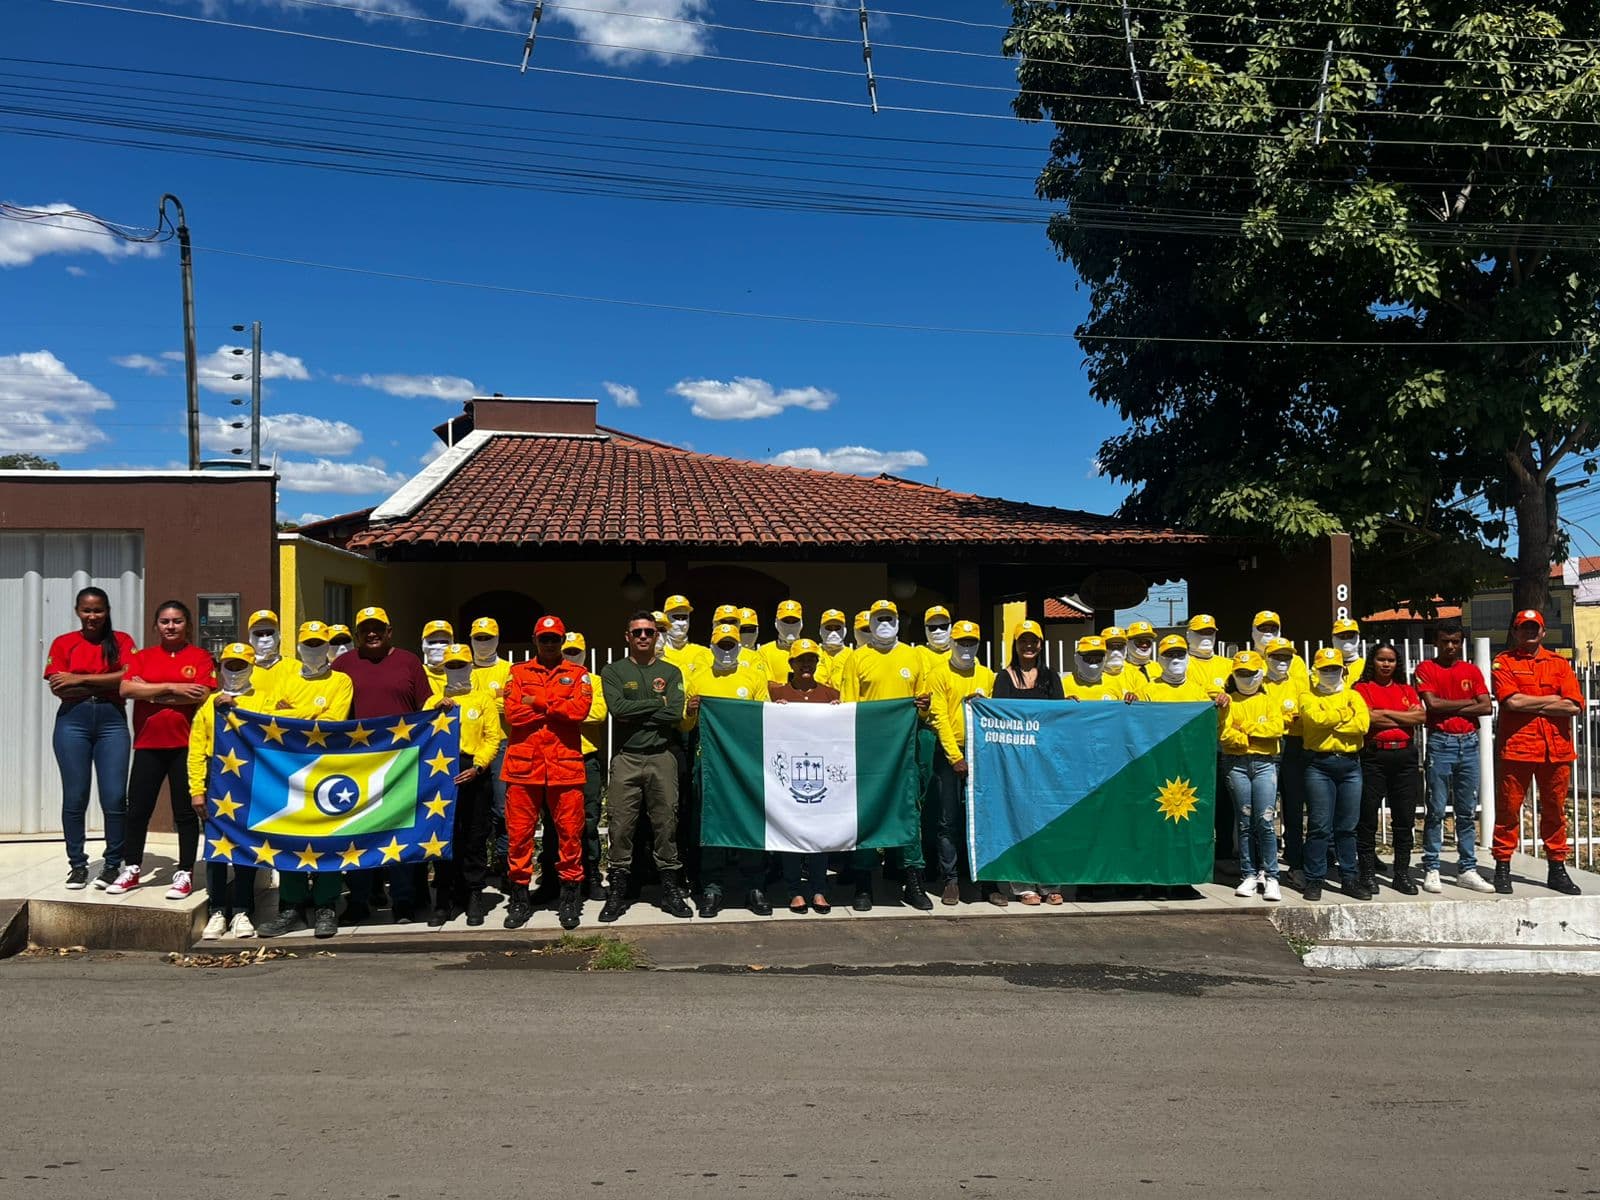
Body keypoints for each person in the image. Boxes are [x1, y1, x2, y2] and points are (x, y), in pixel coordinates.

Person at [330, 605, 433, 923]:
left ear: (390, 632)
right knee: (357, 838)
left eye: (378, 628)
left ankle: (402, 901)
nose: (371, 633)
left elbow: (425, 706)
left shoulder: (409, 662)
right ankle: (359, 901)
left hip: (402, 763)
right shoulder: (343, 664)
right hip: (358, 766)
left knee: (399, 837)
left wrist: (441, 708)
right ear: (357, 634)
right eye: (365, 629)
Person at [256, 621, 357, 939]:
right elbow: (271, 717)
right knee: (290, 838)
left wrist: (294, 713)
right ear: (298, 646)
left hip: (327, 771)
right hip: (288, 770)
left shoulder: (341, 681)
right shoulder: (283, 676)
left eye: (319, 644)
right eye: (308, 644)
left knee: (327, 839)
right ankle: (291, 908)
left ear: (328, 647)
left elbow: (332, 721)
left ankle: (327, 905)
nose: (313, 650)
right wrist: (307, 714)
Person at [109, 600, 216, 899]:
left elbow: (201, 695)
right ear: (156, 625)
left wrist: (151, 692)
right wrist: (173, 687)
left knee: (185, 813)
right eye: (165, 621)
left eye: (177, 621)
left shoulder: (201, 657)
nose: (171, 626)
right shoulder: (142, 657)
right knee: (138, 811)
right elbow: (126, 689)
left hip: (186, 746)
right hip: (147, 745)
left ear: (188, 625)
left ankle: (184, 872)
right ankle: (131, 868)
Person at [841, 599, 935, 912]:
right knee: (866, 815)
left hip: (904, 750)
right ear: (870, 622)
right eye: (879, 618)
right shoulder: (857, 658)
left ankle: (914, 883)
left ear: (898, 622)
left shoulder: (913, 655)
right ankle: (864, 885)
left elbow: (925, 706)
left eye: (889, 618)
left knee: (908, 813)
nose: (884, 623)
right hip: (869, 753)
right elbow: (848, 707)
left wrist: (923, 707)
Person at [499, 615, 593, 929]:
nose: (550, 644)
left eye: (555, 639)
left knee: (570, 837)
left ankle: (570, 899)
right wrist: (556, 705)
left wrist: (537, 701)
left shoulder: (578, 674)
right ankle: (519, 899)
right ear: (535, 640)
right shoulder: (518, 672)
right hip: (524, 768)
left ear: (563, 641)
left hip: (564, 767)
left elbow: (578, 712)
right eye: (544, 639)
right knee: (519, 839)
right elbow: (513, 713)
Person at [599, 611, 692, 922]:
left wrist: (641, 711)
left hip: (662, 756)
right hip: (626, 757)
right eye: (637, 632)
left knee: (666, 823)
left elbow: (676, 713)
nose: (642, 637)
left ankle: (670, 889)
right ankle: (617, 891)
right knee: (621, 825)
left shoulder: (672, 671)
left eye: (648, 632)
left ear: (656, 636)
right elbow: (617, 709)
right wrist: (659, 703)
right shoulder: (613, 671)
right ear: (627, 636)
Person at [45, 586, 136, 890]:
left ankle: (113, 864)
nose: (92, 616)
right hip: (73, 721)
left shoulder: (122, 641)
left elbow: (129, 678)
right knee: (75, 796)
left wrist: (80, 678)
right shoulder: (63, 643)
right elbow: (59, 688)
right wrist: (104, 683)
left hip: (112, 722)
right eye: (87, 610)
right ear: (77, 611)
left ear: (107, 611)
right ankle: (78, 865)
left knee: (113, 797)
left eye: (98, 610)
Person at [682, 621, 772, 916]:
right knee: (712, 824)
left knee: (750, 822)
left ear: (738, 646)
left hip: (747, 764)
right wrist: (691, 711)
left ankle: (754, 887)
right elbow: (684, 725)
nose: (726, 650)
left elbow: (766, 718)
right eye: (720, 645)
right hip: (710, 763)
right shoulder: (698, 678)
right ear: (711, 647)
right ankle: (712, 888)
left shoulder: (753, 676)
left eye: (730, 644)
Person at [1491, 609, 1584, 896]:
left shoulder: (1558, 664)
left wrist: (1532, 703)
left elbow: (1573, 705)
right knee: (1508, 810)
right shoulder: (1503, 662)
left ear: (1543, 632)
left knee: (1555, 811)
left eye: (1535, 628)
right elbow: (1511, 703)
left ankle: (1557, 868)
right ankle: (1502, 866)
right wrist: (1552, 700)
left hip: (1555, 750)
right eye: (1523, 628)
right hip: (1518, 748)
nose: (1529, 632)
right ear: (1516, 632)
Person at [190, 643, 269, 939]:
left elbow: (273, 733)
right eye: (230, 665)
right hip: (216, 780)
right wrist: (197, 789)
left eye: (241, 665)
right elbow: (196, 749)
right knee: (216, 848)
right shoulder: (209, 704)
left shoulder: (263, 700)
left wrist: (239, 712)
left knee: (246, 847)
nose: (235, 671)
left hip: (251, 780)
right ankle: (217, 910)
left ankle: (243, 910)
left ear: (252, 667)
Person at [425, 644, 503, 927]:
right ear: (444, 669)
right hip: (441, 774)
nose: (456, 670)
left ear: (471, 666)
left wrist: (478, 766)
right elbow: (419, 733)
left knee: (474, 835)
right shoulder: (433, 700)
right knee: (444, 836)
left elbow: (493, 738)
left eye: (461, 665)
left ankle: (473, 894)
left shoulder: (483, 700)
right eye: (451, 666)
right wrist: (436, 710)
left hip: (473, 771)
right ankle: (444, 897)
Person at [1414, 623, 1494, 893]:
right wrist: (1467, 703)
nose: (1451, 646)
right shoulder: (1427, 668)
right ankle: (1432, 866)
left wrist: (1452, 705)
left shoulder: (1471, 670)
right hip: (1441, 742)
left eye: (1456, 641)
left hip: (1469, 743)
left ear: (1462, 643)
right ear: (1436, 642)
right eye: (1446, 641)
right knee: (1435, 809)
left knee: (1467, 810)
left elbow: (1486, 706)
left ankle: (1467, 868)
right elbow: (1432, 705)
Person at [991, 620, 1064, 906]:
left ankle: (1051, 884)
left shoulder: (1051, 677)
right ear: (1015, 645)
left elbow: (1059, 718)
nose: (1029, 646)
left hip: (1046, 762)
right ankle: (1022, 886)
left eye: (1034, 641)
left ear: (1041, 644)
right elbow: (998, 717)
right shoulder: (1003, 677)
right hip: (1015, 763)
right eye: (1024, 641)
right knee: (1018, 821)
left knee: (1049, 822)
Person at [769, 638, 840, 913]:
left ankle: (819, 888)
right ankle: (794, 890)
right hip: (788, 775)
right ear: (791, 663)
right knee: (790, 832)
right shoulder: (777, 695)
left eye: (811, 659)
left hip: (822, 774)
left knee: (819, 833)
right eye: (801, 660)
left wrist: (839, 713)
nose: (806, 664)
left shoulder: (831, 694)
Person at [928, 620, 995, 905]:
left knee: (984, 818)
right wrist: (955, 757)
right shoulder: (939, 673)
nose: (966, 648)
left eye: (971, 643)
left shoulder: (988, 675)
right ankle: (951, 880)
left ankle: (986, 881)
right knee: (948, 820)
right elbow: (938, 717)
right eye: (961, 642)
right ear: (952, 643)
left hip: (982, 754)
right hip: (950, 754)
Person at [1299, 646, 1371, 902]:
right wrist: (1343, 715)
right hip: (1320, 764)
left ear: (1343, 670)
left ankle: (1349, 878)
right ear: (1316, 671)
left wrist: (1332, 721)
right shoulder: (1307, 696)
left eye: (1335, 669)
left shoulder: (1355, 696)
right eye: (1325, 669)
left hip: (1351, 765)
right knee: (1319, 825)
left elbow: (1362, 725)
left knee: (1347, 826)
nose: (1330, 673)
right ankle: (1315, 879)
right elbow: (1315, 722)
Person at [1352, 645, 1425, 897]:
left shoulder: (1406, 689)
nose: (1386, 664)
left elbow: (1420, 717)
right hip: (1374, 755)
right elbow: (1367, 719)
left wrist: (1384, 713)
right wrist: (1402, 716)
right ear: (1373, 661)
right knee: (1368, 817)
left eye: (1391, 660)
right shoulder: (1362, 689)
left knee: (1404, 819)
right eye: (1381, 659)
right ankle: (1368, 873)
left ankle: (1401, 874)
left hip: (1405, 756)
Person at [1220, 651, 1285, 902]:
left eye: (1250, 673)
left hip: (1265, 764)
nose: (1246, 678)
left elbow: (1276, 729)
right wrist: (1253, 735)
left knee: (1265, 820)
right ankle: (1248, 873)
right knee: (1244, 820)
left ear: (1260, 674)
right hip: (1235, 764)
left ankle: (1271, 876)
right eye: (1241, 674)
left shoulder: (1269, 701)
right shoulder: (1228, 701)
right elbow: (1225, 735)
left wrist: (1244, 729)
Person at [554, 631, 609, 899]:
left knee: (589, 821)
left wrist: (560, 709)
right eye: (567, 652)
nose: (571, 657)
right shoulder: (552, 678)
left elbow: (598, 713)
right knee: (555, 822)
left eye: (576, 652)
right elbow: (542, 710)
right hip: (556, 757)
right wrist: (575, 708)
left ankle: (592, 877)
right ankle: (555, 880)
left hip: (586, 758)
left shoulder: (595, 681)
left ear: (584, 654)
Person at [467, 617, 513, 884]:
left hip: (502, 744)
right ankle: (475, 866)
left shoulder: (509, 670)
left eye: (487, 638)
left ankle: (504, 862)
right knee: (473, 811)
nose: (483, 643)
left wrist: (483, 706)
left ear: (497, 639)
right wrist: (493, 704)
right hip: (469, 746)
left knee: (502, 808)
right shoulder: (462, 668)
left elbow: (513, 707)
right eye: (478, 638)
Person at [1263, 636, 1310, 888]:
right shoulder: (1259, 682)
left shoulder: (1301, 681)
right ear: (1267, 658)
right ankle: (1264, 865)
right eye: (1277, 657)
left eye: (1286, 657)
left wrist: (1278, 719)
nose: (1282, 662)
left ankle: (1296, 863)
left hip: (1293, 746)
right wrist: (1282, 720)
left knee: (1293, 808)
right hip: (1266, 747)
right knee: (1264, 810)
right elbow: (1260, 714)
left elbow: (1306, 714)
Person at [1146, 635, 1228, 704]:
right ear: (1160, 660)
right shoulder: (1145, 692)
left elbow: (1210, 720)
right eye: (1169, 654)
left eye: (1180, 654)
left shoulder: (1199, 692)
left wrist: (1224, 704)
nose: (1175, 659)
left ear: (1187, 658)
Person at [1061, 635, 1140, 701]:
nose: (1094, 663)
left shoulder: (1114, 683)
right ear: (1077, 658)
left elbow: (1124, 712)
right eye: (1088, 658)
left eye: (1098, 659)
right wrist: (1064, 704)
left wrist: (1132, 699)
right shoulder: (1063, 684)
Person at [244, 609, 294, 696]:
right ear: (250, 638)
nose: (265, 639)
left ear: (278, 635)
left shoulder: (295, 668)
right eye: (259, 634)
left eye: (269, 633)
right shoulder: (241, 671)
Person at [660, 594, 710, 679]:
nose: (681, 623)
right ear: (666, 619)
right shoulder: (657, 654)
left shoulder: (703, 653)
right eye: (676, 617)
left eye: (684, 617)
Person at [758, 599, 805, 682]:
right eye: (786, 621)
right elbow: (765, 683)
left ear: (801, 623)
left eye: (794, 621)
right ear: (776, 623)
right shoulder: (764, 651)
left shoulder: (813, 650)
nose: (790, 626)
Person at [1184, 614, 1230, 693]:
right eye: (1200, 632)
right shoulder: (1181, 665)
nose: (1206, 636)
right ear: (1189, 635)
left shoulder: (1229, 665)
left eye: (1209, 632)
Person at [1101, 626, 1149, 698]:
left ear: (1126, 648)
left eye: (1120, 646)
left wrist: (1136, 697)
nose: (1116, 652)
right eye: (1110, 646)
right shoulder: (1093, 676)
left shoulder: (1136, 675)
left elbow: (1145, 701)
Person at [815, 608, 853, 689]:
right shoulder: (813, 653)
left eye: (837, 628)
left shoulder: (853, 655)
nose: (833, 633)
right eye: (829, 628)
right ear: (820, 631)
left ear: (845, 631)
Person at [917, 604, 953, 677]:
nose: (938, 631)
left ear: (950, 627)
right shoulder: (918, 653)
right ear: (926, 629)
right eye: (932, 628)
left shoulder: (959, 653)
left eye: (943, 627)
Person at [420, 618, 453, 697]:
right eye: (433, 642)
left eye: (444, 642)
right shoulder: (417, 674)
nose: (439, 646)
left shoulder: (465, 673)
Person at [1331, 617, 1366, 685]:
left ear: (1358, 638)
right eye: (1341, 636)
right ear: (1333, 639)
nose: (1346, 640)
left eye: (1350, 636)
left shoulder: (1367, 667)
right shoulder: (1322, 667)